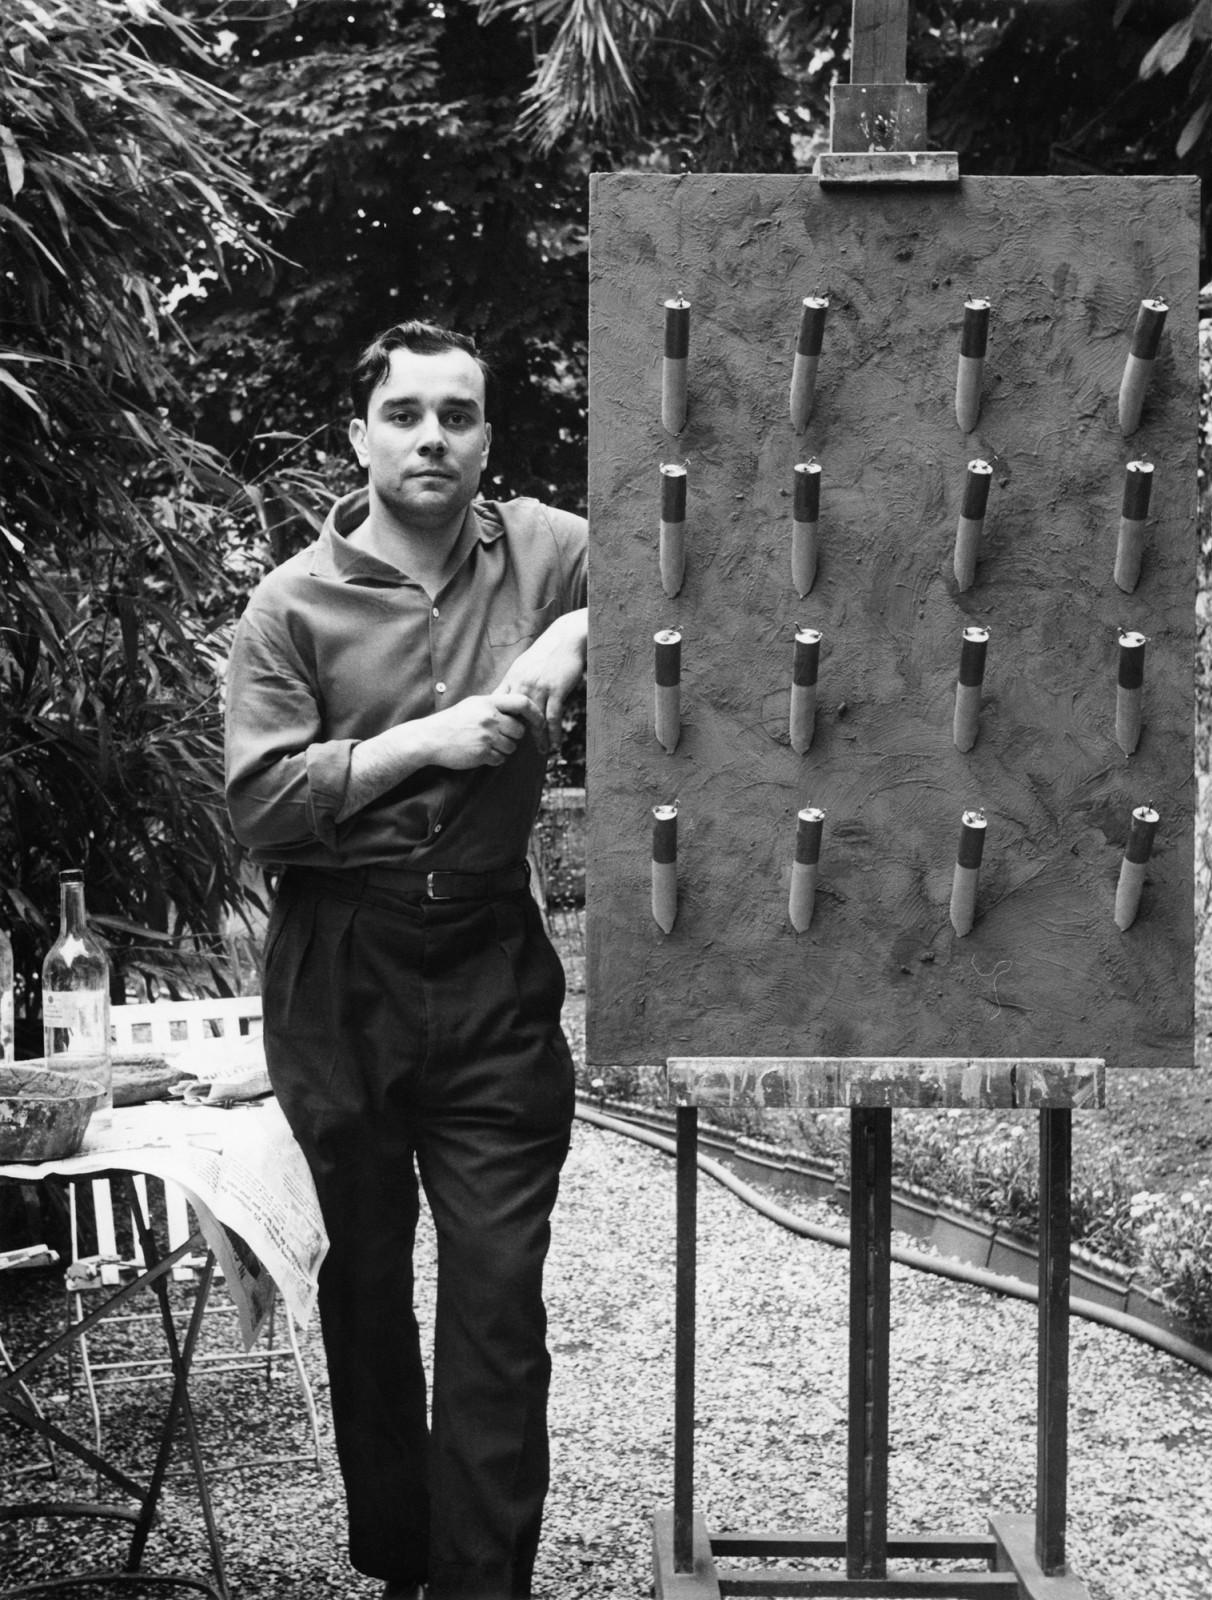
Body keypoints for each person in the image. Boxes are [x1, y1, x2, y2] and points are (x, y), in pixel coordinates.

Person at [224, 320, 588, 1600]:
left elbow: (693, 573)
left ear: (490, 436)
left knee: (497, 1290)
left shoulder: (546, 552)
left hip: (492, 961)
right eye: (406, 413)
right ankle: (399, 1556)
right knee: (367, 1283)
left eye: (460, 414)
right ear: (359, 434)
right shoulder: (289, 605)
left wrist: (572, 633)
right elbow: (260, 804)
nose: (433, 435)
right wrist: (422, 744)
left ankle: (483, 1581)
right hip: (343, 968)